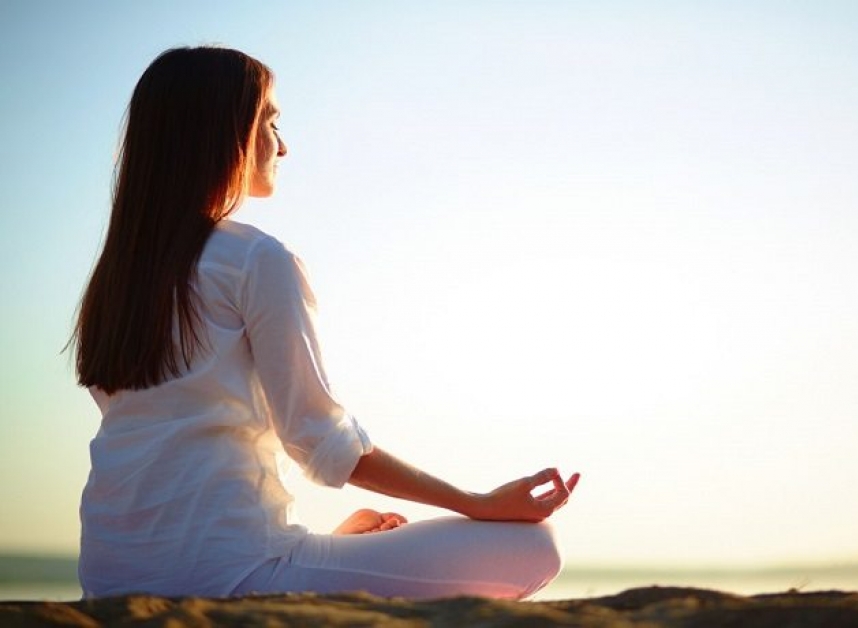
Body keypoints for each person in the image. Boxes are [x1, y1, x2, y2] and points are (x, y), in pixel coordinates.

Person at [71, 46, 579, 601]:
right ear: (224, 130)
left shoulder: (117, 279)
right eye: (271, 121)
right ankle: (306, 570)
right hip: (231, 574)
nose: (282, 144)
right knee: (537, 547)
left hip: (108, 579)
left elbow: (177, 454)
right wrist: (477, 502)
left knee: (317, 548)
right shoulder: (254, 259)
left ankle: (316, 563)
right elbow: (319, 439)